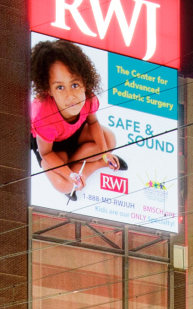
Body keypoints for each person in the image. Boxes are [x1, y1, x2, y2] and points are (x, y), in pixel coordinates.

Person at [29, 38, 125, 200]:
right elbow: (46, 153)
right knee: (65, 185)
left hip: (75, 134)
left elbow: (93, 122)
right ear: (49, 90)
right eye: (60, 87)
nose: (70, 95)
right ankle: (91, 165)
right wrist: (70, 174)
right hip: (52, 148)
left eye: (74, 85)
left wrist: (105, 153)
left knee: (109, 139)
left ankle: (92, 161)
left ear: (85, 82)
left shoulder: (87, 98)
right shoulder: (43, 115)